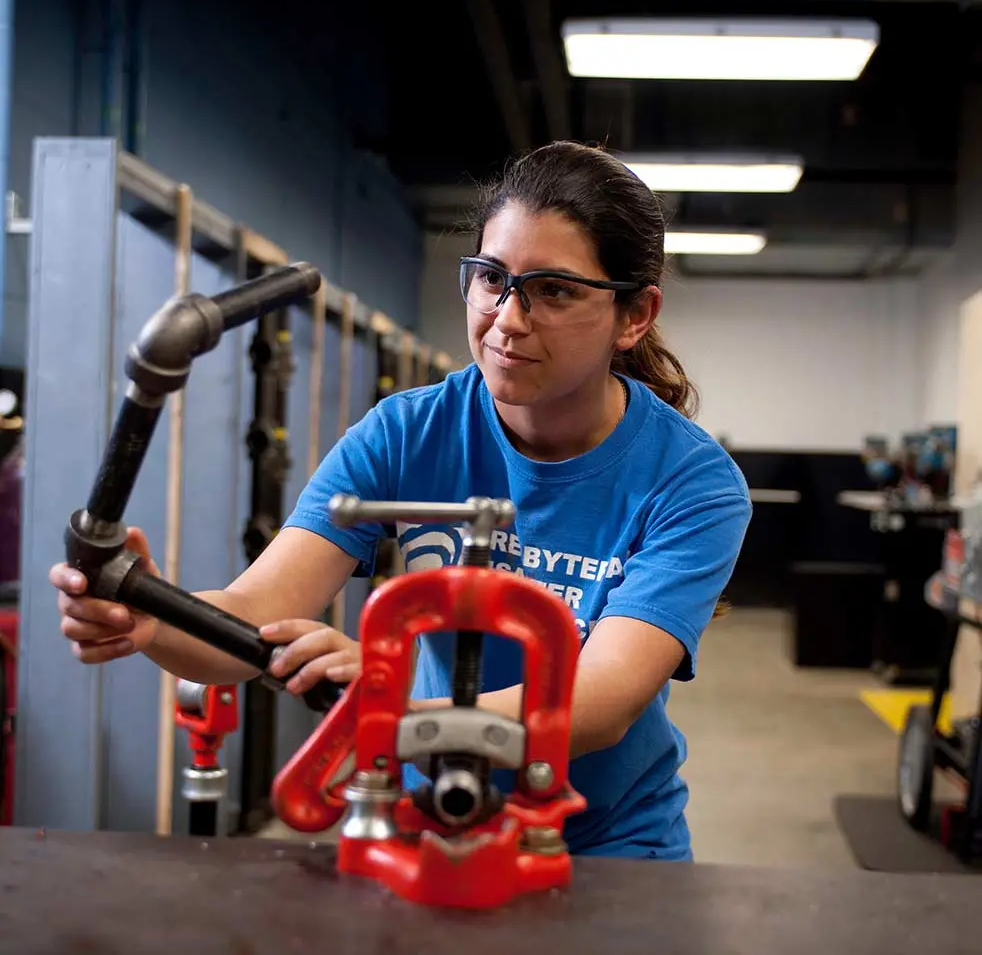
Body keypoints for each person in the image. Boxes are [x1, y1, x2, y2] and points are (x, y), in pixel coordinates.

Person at [51, 140, 752, 861]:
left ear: (634, 315)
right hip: (423, 827)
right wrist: (149, 617)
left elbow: (602, 701)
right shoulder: (404, 434)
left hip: (606, 847)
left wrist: (399, 708)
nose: (508, 319)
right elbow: (255, 612)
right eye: (492, 279)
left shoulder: (691, 482)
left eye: (554, 290)